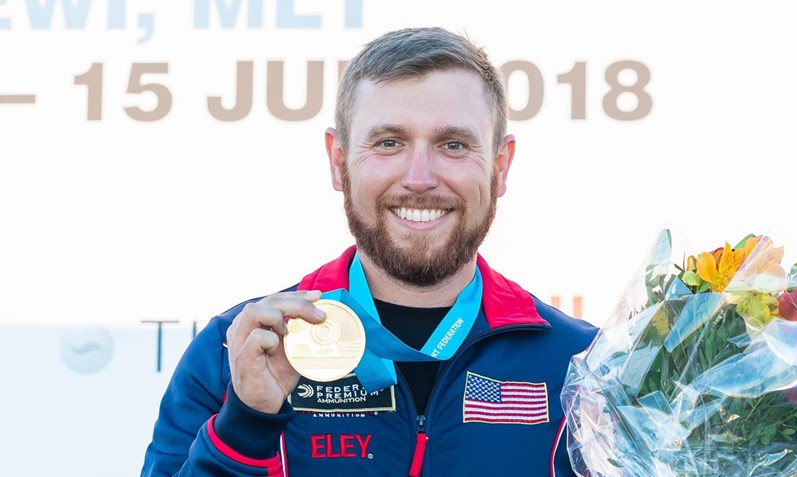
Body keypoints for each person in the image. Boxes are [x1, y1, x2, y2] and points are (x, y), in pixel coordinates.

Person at [140, 27, 597, 477]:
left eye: (453, 144)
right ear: (338, 161)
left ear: (500, 166)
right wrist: (244, 426)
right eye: (388, 143)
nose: (419, 178)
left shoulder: (583, 366)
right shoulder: (233, 354)